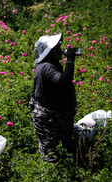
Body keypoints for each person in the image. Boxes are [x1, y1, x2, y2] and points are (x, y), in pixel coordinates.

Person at [29, 33, 78, 163]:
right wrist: (70, 60)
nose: (60, 50)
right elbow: (63, 82)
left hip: (56, 117)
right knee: (50, 152)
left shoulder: (49, 65)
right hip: (49, 119)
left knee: (62, 148)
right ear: (49, 52)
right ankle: (51, 178)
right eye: (56, 48)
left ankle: (65, 172)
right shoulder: (47, 67)